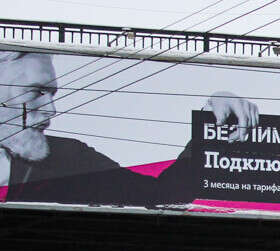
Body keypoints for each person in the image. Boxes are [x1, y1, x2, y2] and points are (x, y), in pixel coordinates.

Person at [0, 51, 258, 206]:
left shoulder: (68, 159)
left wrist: (210, 126)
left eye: (52, 94)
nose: (51, 110)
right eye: (36, 92)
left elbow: (163, 196)